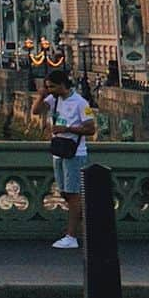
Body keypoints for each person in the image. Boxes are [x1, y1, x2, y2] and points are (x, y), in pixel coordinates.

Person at [30, 66, 95, 250]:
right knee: (65, 192)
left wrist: (67, 129)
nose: (49, 90)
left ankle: (72, 235)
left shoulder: (81, 103)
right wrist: (41, 96)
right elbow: (36, 111)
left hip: (74, 152)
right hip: (59, 150)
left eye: (51, 87)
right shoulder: (54, 99)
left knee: (73, 194)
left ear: (62, 85)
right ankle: (74, 228)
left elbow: (91, 128)